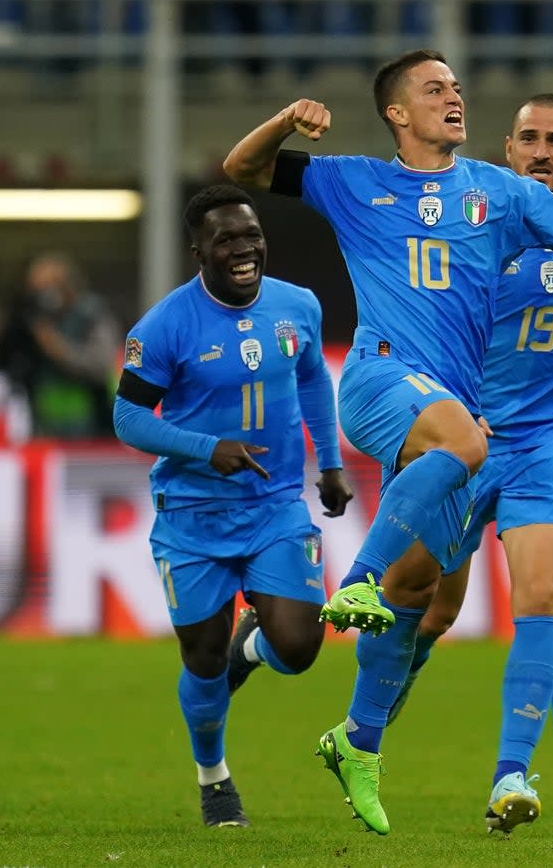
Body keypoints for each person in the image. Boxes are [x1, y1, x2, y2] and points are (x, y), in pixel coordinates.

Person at [221, 49, 553, 836]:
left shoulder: (499, 193)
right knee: (455, 463)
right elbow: (243, 168)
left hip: (505, 429)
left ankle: (379, 744)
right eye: (434, 89)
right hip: (393, 385)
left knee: (427, 605)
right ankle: (354, 580)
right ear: (397, 112)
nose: (454, 98)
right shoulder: (352, 181)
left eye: (457, 88)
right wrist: (286, 118)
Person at [379, 93, 553, 835]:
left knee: (541, 597)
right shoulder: (469, 219)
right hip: (461, 434)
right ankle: (390, 678)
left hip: (545, 441)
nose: (540, 150)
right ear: (506, 148)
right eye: (527, 137)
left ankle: (510, 775)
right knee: (431, 603)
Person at [112, 184, 354, 828]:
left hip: (274, 506)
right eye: (227, 240)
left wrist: (328, 463)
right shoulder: (165, 326)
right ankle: (213, 777)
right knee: (202, 659)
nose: (244, 249)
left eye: (251, 235)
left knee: (300, 648)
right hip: (192, 514)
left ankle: (255, 648)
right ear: (199, 251)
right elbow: (127, 415)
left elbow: (310, 378)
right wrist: (204, 447)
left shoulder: (296, 305)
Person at [0, 252, 120, 439]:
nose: (44, 294)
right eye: (36, 288)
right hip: (43, 430)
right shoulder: (30, 321)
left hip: (92, 430)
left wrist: (59, 350)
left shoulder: (91, 316)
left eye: (52, 285)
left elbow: (102, 365)